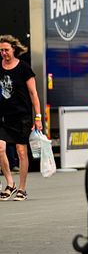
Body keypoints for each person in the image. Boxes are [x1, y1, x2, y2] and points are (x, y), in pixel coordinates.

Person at [0, 35, 42, 201]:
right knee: (0, 148)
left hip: (21, 116)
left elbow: (33, 93)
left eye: (6, 50)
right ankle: (10, 183)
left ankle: (22, 189)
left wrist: (38, 117)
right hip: (3, 116)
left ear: (14, 50)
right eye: (1, 50)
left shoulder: (24, 68)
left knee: (21, 152)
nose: (3, 53)